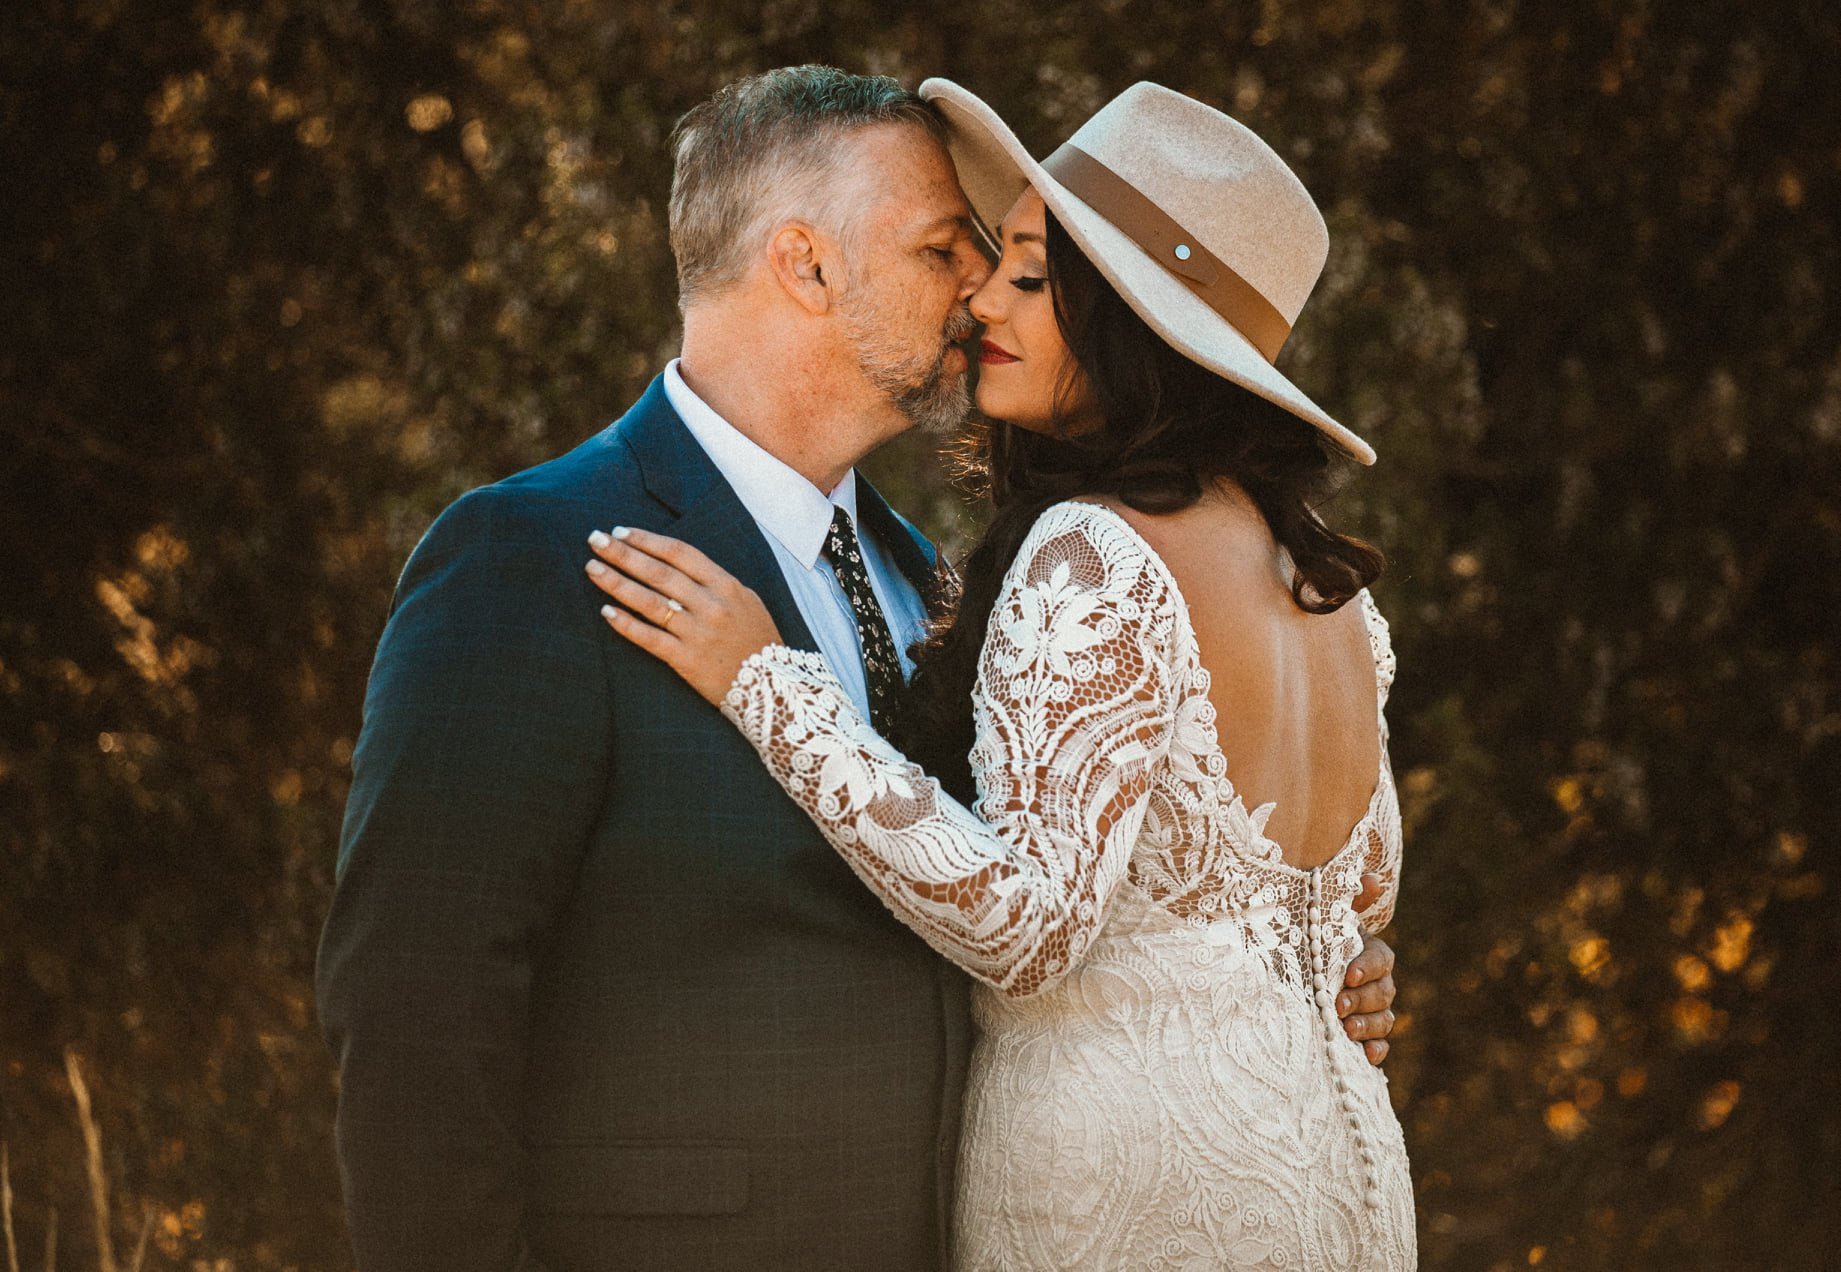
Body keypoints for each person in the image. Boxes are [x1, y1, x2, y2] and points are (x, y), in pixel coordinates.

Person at [317, 66, 1398, 1272]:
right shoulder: (526, 556)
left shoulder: (924, 573)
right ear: (807, 264)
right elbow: (414, 1015)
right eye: (945, 248)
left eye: (1000, 261)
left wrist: (1274, 967)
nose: (975, 289)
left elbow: (1039, 882)